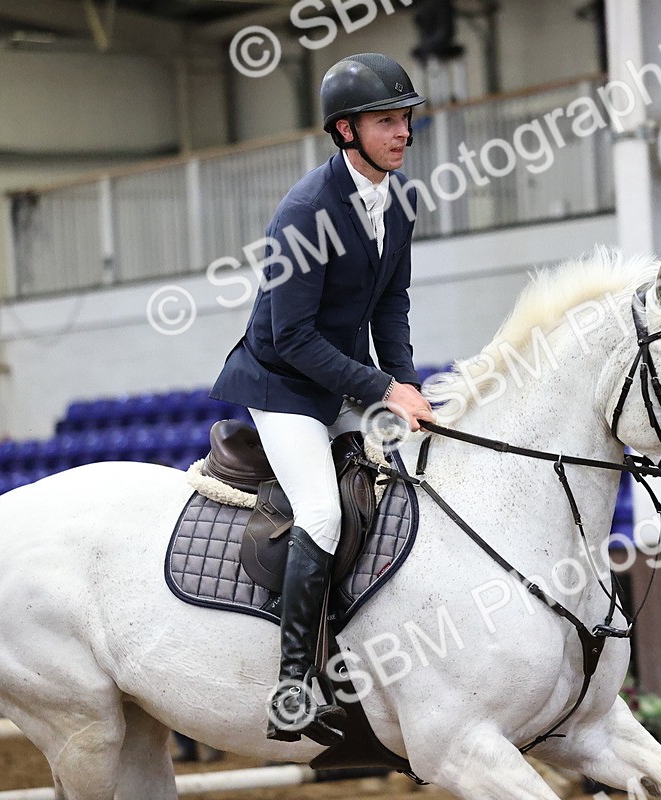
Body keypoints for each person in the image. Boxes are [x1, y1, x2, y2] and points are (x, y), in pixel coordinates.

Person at [209, 52, 436, 745]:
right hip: (284, 385)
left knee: (419, 470)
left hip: (343, 377)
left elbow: (390, 307)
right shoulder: (306, 212)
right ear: (345, 132)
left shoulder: (401, 201)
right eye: (387, 122)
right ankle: (293, 686)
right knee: (323, 512)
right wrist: (378, 387)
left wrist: (407, 387)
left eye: (405, 120)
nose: (403, 133)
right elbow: (293, 335)